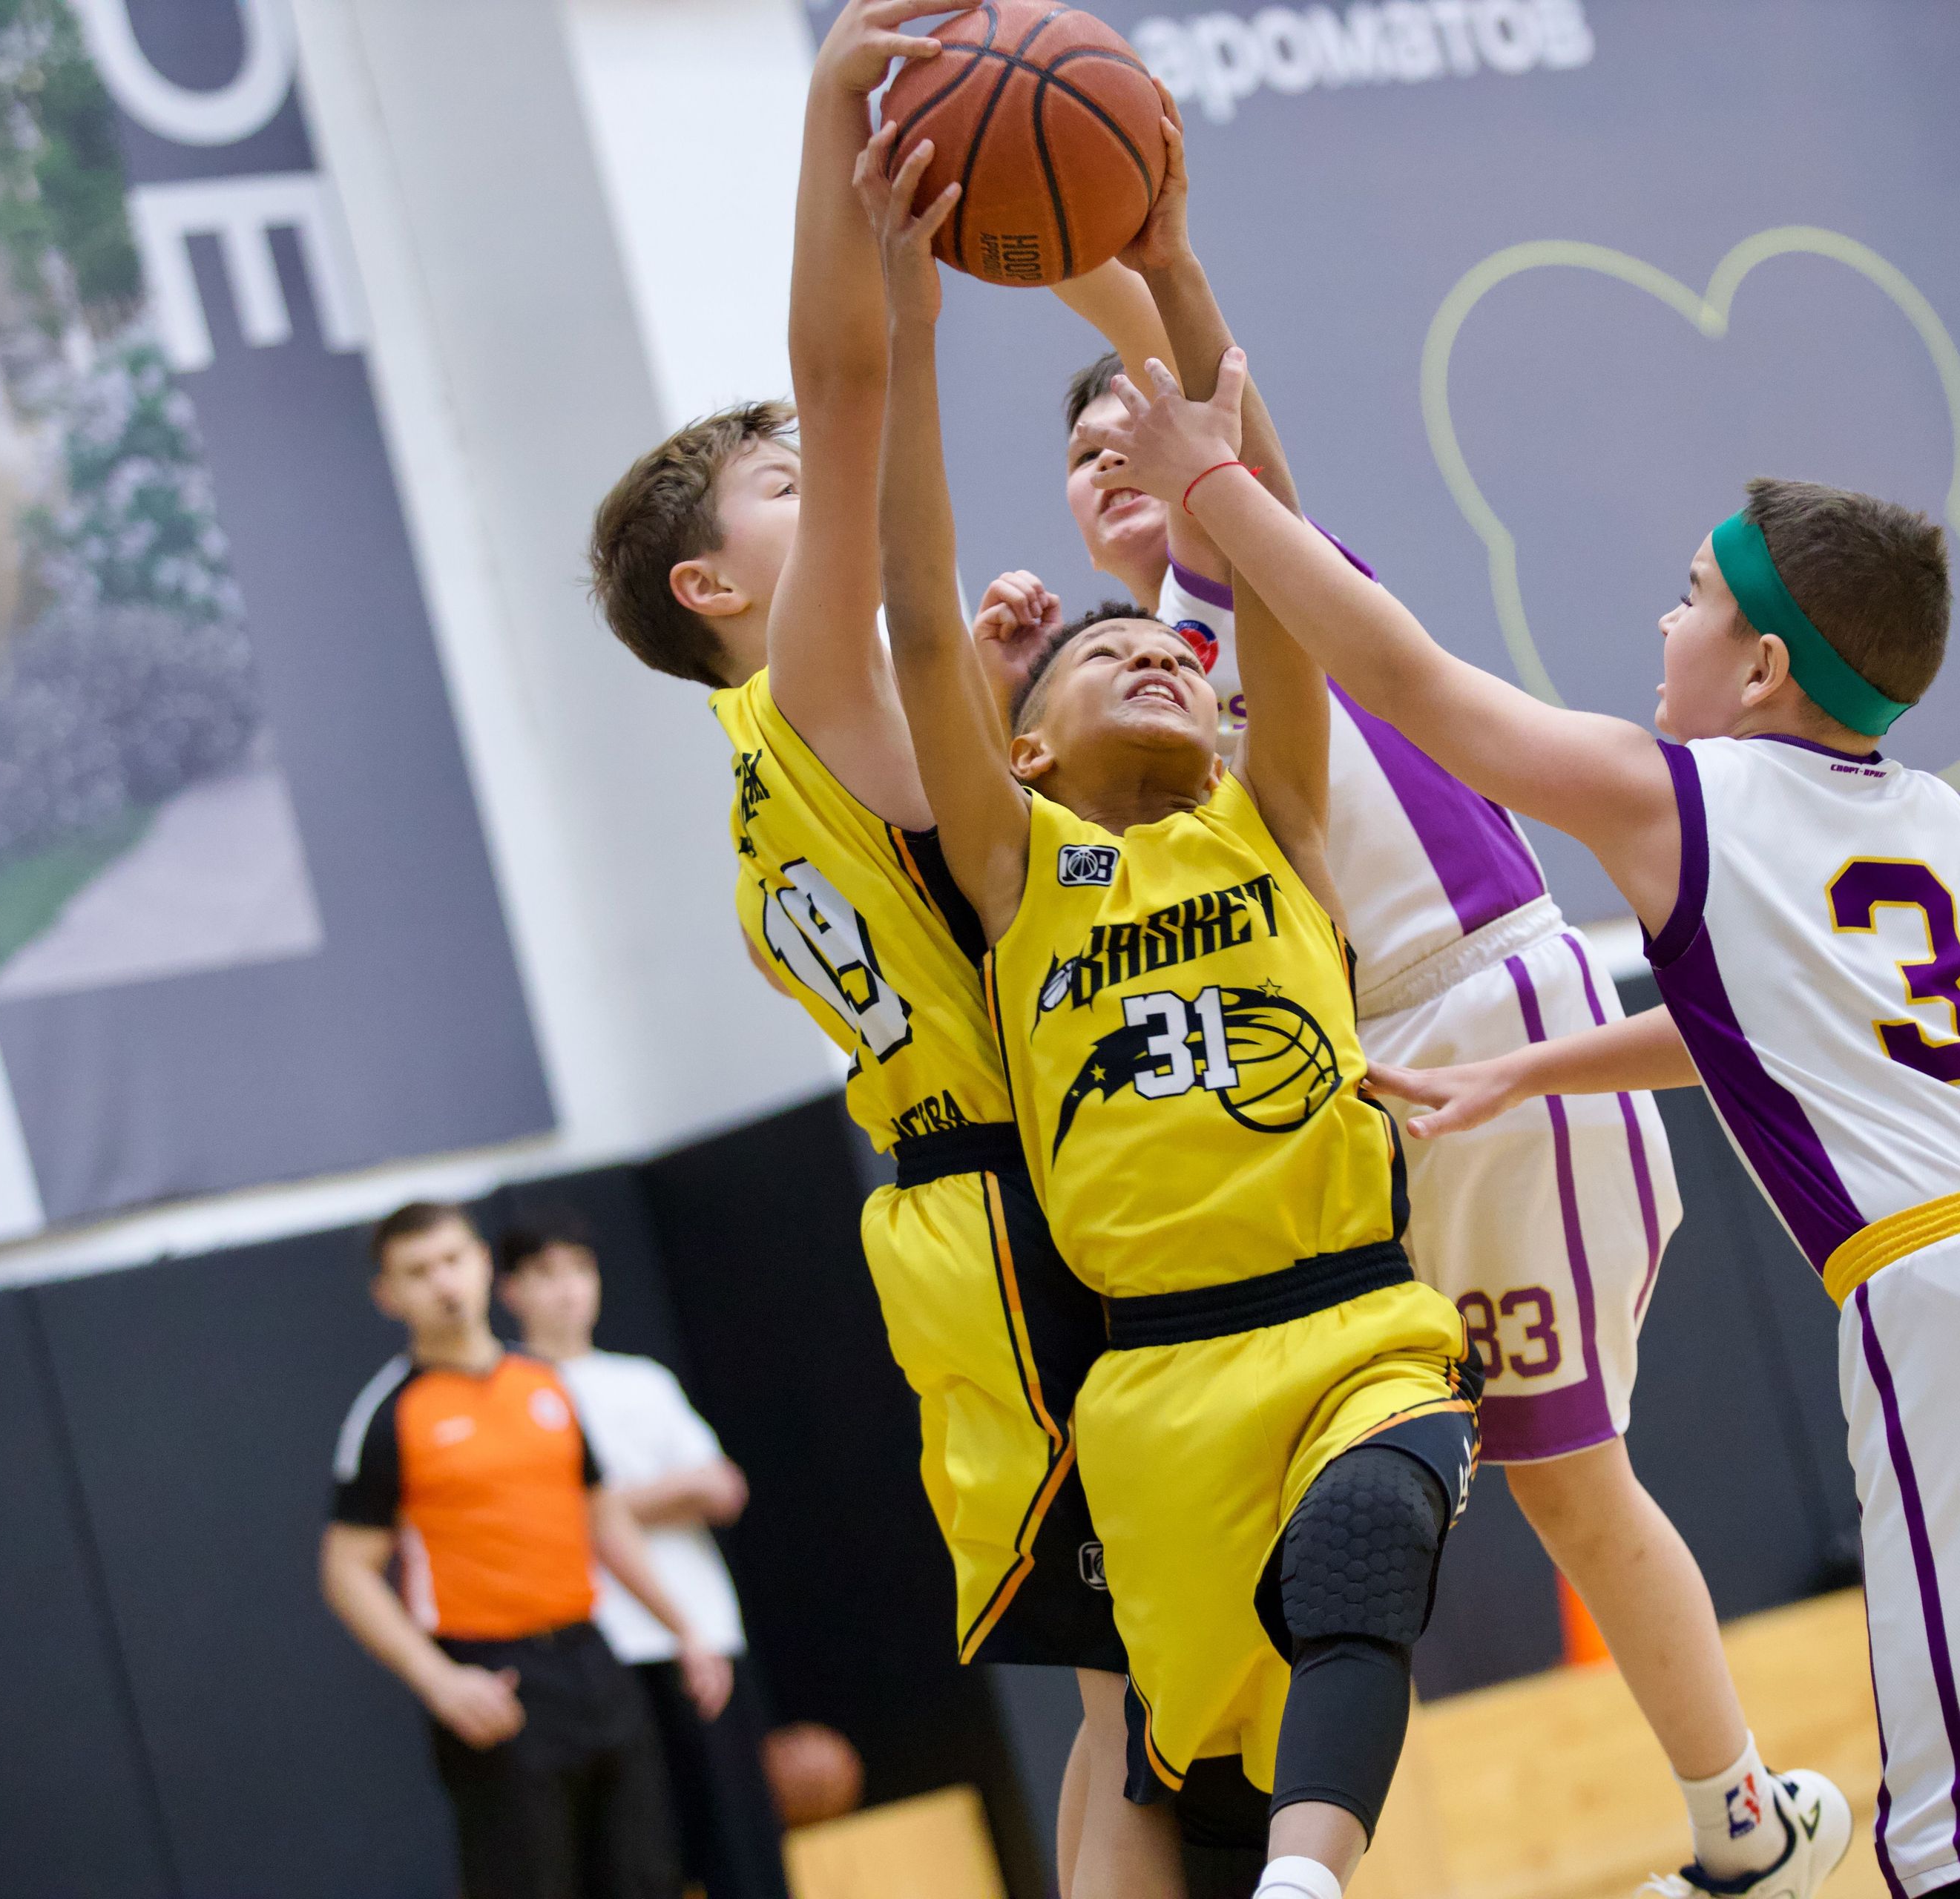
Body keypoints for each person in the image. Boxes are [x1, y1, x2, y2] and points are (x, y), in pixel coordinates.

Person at [1091, 349, 1960, 1899]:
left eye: (1691, 600)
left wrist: (1213, 487)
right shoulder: (1930, 813)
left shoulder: (1676, 793)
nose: (1663, 622)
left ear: (1762, 670)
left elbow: (1407, 683)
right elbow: (1773, 1029)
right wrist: (1533, 1071)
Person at [964, 190, 1838, 1899]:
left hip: (1488, 1004)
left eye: (1131, 423)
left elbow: (1212, 406)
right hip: (1337, 1092)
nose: (1110, 452)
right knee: (1341, 1506)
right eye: (1078, 451)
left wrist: (1115, 264)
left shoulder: (1262, 573)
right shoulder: (1118, 689)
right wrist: (1014, 697)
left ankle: (1743, 1825)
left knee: (1567, 1474)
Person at [579, 5, 1164, 1892]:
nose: (817, 483)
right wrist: (842, 124)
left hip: (973, 1203)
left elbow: (945, 845)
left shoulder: (795, 755)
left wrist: (984, 693)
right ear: (712, 590)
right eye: (777, 492)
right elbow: (844, 393)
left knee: (1144, 1685)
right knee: (1147, 1686)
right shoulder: (801, 688)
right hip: (1020, 1205)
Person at [864, 129, 1478, 1899]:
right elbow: (917, 616)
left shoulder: (1269, 815)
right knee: (1194, 1781)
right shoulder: (1017, 870)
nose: (1157, 652)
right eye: (1102, 654)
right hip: (1154, 1383)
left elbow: (1268, 547)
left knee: (1372, 1538)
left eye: (1179, 660)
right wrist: (907, 317)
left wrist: (1179, 277)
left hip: (1354, 1314)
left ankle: (1311, 1877)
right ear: (1023, 747)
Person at [321, 1202, 733, 1899]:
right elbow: (346, 1571)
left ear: (483, 1264)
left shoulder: (546, 1383)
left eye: (453, 1260)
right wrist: (439, 1681)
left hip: (593, 1658)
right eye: (419, 1272)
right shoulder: (389, 1414)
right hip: (493, 1679)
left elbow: (602, 1519)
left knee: (647, 1875)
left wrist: (683, 1628)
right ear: (388, 1296)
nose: (444, 1283)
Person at [497, 1211, 794, 1899]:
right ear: (510, 1289)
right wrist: (657, 1496)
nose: (567, 1290)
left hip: (701, 1634)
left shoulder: (644, 1380)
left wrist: (609, 1504)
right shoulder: (512, 1390)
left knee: (741, 1841)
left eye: (580, 1269)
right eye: (545, 1274)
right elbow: (552, 1517)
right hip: (600, 1648)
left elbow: (720, 1487)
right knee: (640, 1852)